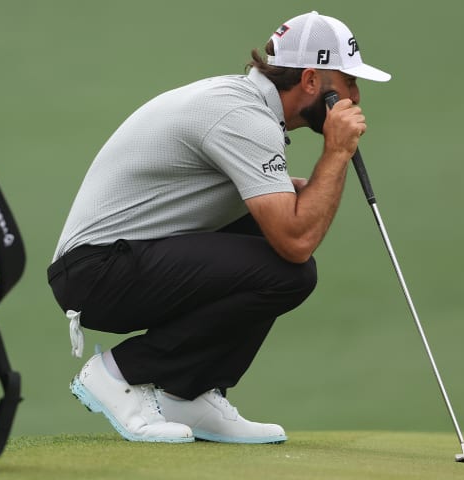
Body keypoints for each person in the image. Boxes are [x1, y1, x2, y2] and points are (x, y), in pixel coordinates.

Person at [47, 11, 391, 444]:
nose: (356, 97)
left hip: (121, 259)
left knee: (264, 230)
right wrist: (335, 153)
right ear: (309, 81)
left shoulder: (247, 107)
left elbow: (289, 212)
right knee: (288, 271)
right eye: (347, 83)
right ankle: (118, 373)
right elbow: (296, 240)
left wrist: (312, 181)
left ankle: (186, 393)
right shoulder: (242, 117)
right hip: (94, 272)